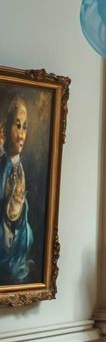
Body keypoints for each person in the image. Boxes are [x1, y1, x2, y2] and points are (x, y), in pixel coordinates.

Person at [0, 94, 34, 284]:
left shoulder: (20, 168)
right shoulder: (3, 166)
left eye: (25, 127)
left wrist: (20, 206)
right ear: (6, 128)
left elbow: (19, 215)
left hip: (17, 248)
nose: (21, 135)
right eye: (17, 125)